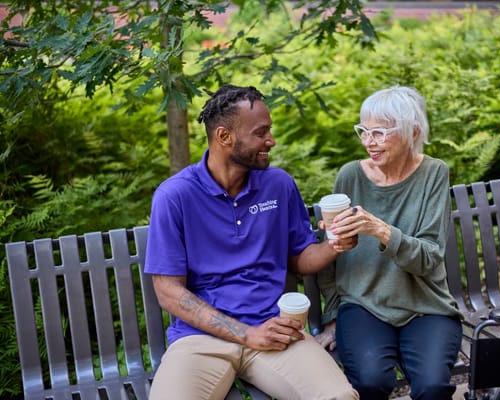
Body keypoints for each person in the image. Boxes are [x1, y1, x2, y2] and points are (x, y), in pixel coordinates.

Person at [144, 85, 358, 400]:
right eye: (261, 133)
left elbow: (299, 257)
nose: (270, 141)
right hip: (200, 339)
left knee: (340, 397)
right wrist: (246, 334)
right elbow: (169, 293)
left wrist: (335, 244)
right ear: (224, 136)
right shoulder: (175, 196)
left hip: (275, 330)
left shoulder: (278, 185)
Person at [315, 85, 463, 400]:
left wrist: (382, 231)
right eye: (364, 131)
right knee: (370, 382)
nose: (369, 141)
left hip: (425, 305)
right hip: (362, 304)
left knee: (433, 388)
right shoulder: (350, 176)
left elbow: (428, 258)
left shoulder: (433, 173)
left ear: (413, 131)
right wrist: (332, 317)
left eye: (380, 133)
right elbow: (333, 252)